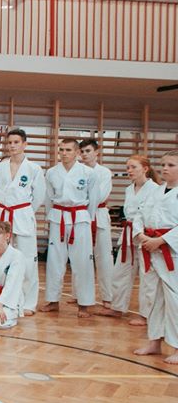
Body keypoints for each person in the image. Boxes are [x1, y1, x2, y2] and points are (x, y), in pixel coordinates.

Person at [0, 128, 45, 315]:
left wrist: (25, 212)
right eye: (9, 143)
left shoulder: (34, 169)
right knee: (0, 258)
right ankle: (1, 298)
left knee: (28, 261)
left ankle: (28, 303)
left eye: (16, 142)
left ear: (25, 144)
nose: (12, 146)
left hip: (22, 214)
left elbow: (39, 196)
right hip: (3, 214)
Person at [40, 138, 98, 317]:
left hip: (80, 218)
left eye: (68, 150)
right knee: (54, 260)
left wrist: (87, 218)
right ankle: (53, 300)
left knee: (82, 262)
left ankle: (84, 303)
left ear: (77, 153)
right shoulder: (51, 172)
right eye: (62, 150)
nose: (64, 153)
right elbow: (48, 198)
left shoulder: (88, 173)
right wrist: (51, 217)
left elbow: (93, 199)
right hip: (58, 217)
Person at [132, 150, 178, 364]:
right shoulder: (156, 192)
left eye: (171, 165)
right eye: (163, 164)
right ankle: (154, 341)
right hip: (151, 249)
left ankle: (177, 346)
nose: (165, 168)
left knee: (174, 301)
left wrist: (161, 240)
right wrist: (141, 235)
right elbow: (139, 215)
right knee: (154, 298)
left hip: (171, 253)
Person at [111, 156, 159, 324]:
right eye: (128, 167)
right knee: (120, 272)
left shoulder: (155, 189)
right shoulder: (129, 189)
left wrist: (143, 234)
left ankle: (145, 315)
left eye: (133, 167)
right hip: (128, 234)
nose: (129, 170)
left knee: (146, 276)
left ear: (145, 169)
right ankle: (117, 307)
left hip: (145, 235)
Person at [80, 138, 115, 311]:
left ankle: (108, 297)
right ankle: (79, 295)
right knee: (80, 258)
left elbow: (101, 196)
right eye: (82, 152)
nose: (85, 154)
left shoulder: (104, 172)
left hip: (99, 216)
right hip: (81, 216)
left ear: (96, 152)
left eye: (88, 151)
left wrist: (83, 199)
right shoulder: (78, 171)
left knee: (104, 258)